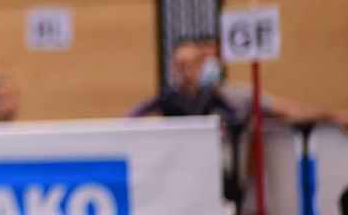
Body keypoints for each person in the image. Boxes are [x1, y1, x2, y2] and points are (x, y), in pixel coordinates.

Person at [195, 36, 348, 129]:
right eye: (201, 60)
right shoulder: (173, 102)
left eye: (213, 59)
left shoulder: (238, 95)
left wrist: (333, 115)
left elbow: (290, 111)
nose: (209, 64)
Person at [128, 39, 243, 125]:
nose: (186, 72)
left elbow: (236, 115)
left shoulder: (209, 95)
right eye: (180, 67)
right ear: (173, 69)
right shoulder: (170, 97)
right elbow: (135, 112)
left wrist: (217, 121)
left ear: (199, 67)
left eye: (190, 66)